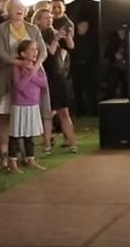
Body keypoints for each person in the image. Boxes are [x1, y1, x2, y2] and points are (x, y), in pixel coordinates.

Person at [0, 0, 47, 170]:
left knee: (24, 117)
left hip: (29, 76)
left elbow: (43, 50)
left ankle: (26, 156)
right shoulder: (1, 29)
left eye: (22, 7)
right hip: (6, 76)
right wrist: (18, 63)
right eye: (15, 8)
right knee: (4, 116)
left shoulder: (33, 29)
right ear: (7, 11)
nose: (19, 10)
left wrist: (35, 66)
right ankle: (5, 155)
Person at [37, 9, 78, 154]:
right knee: (48, 113)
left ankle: (72, 143)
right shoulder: (38, 35)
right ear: (38, 20)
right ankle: (47, 145)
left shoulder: (55, 32)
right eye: (45, 18)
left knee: (64, 112)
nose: (49, 20)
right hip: (46, 75)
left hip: (59, 76)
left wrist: (67, 36)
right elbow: (49, 52)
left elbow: (71, 46)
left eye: (50, 17)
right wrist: (56, 39)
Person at [7, 39, 47, 173]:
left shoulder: (37, 66)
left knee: (30, 134)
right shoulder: (16, 68)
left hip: (33, 105)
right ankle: (12, 162)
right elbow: (20, 86)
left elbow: (43, 83)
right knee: (15, 134)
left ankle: (31, 159)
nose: (35, 52)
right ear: (23, 54)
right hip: (19, 105)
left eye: (36, 49)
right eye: (32, 49)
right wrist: (31, 73)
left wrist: (32, 71)